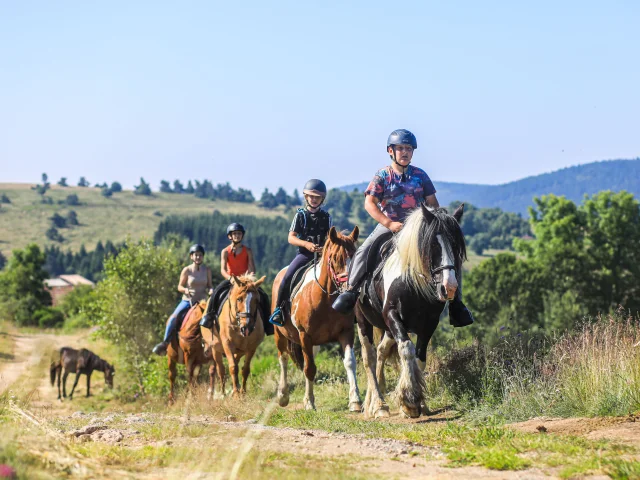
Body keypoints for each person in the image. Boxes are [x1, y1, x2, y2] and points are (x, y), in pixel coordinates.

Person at [331, 129, 474, 327]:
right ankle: (351, 292)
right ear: (391, 151)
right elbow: (369, 204)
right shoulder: (382, 175)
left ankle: (456, 303)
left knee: (449, 256)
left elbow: (432, 203)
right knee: (364, 251)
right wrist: (389, 223)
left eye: (408, 148)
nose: (405, 152)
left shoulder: (420, 175)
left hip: (419, 229)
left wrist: (438, 223)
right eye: (400, 148)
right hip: (390, 225)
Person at [268, 179, 332, 327]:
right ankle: (279, 310)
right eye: (311, 196)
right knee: (287, 278)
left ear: (322, 199)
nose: (314, 199)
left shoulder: (326, 217)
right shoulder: (301, 215)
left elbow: (329, 237)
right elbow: (291, 237)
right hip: (305, 255)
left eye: (317, 197)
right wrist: (306, 244)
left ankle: (347, 309)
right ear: (306, 197)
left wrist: (325, 249)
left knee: (340, 275)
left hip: (322, 255)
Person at [199, 223, 273, 335]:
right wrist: (230, 278)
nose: (237, 236)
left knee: (264, 295)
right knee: (216, 293)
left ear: (242, 235)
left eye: (239, 234)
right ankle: (209, 317)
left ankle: (268, 324)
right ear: (230, 236)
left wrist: (249, 279)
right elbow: (223, 270)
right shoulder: (225, 251)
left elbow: (252, 268)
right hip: (231, 280)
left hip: (245, 281)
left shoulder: (248, 250)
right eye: (234, 234)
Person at [152, 244, 213, 355]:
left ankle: (219, 344)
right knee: (173, 318)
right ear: (191, 257)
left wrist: (211, 290)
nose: (198, 257)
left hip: (203, 302)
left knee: (215, 318)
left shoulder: (207, 270)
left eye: (200, 255)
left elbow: (209, 285)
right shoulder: (187, 270)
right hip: (188, 301)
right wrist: (185, 290)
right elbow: (179, 286)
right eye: (196, 255)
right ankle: (165, 344)